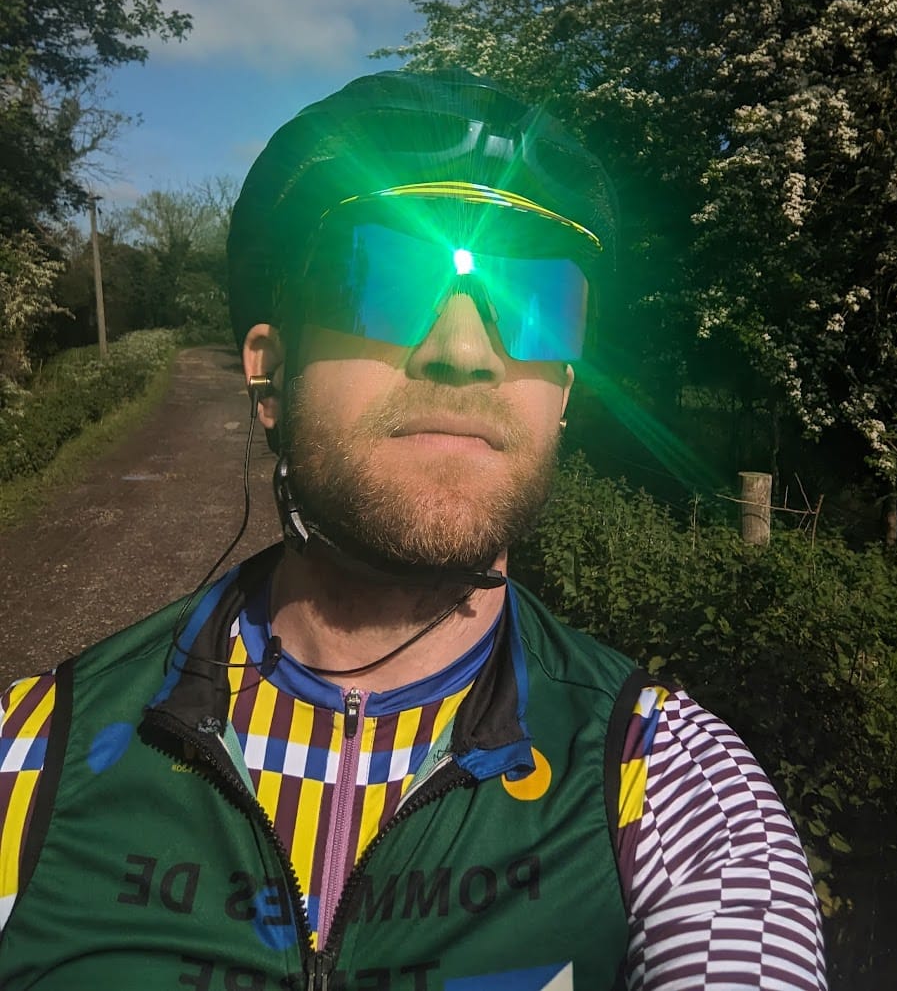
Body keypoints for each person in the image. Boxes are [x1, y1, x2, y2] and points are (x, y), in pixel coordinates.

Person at [0, 69, 826, 990]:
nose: (464, 352)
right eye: (386, 275)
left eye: (537, 298)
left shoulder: (675, 790)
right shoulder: (31, 759)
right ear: (269, 372)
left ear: (563, 394)